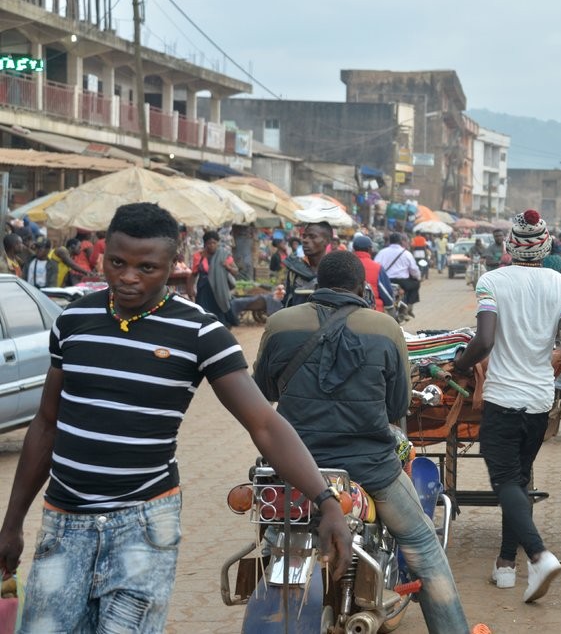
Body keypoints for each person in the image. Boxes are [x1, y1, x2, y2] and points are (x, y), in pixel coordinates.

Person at [0, 202, 351, 633]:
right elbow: (47, 423)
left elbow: (264, 423)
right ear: (105, 254)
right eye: (117, 263)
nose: (128, 277)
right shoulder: (73, 321)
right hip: (64, 522)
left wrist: (326, 500)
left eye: (146, 267)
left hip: (142, 526)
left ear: (173, 264)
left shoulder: (200, 333)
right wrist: (13, 522)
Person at [253, 251, 469, 633]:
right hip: (370, 467)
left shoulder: (280, 322)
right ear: (362, 287)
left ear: (316, 283)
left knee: (271, 532)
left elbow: (264, 391)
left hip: (290, 464)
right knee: (423, 545)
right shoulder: (384, 328)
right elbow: (397, 405)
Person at [452, 209, 561, 603]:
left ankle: (538, 556)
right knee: (519, 479)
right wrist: (554, 354)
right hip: (540, 400)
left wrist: (459, 364)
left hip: (503, 397)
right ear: (546, 247)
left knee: (505, 481)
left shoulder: (492, 281)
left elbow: (485, 340)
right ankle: (506, 565)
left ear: (509, 246)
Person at [188, 231, 239, 326]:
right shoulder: (198, 256)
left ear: (218, 243)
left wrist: (228, 267)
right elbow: (194, 274)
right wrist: (190, 289)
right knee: (204, 313)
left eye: (214, 243)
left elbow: (235, 271)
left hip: (219, 289)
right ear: (205, 244)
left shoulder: (224, 255)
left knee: (219, 313)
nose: (211, 245)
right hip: (204, 289)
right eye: (209, 243)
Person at [282, 222, 332, 306]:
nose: (305, 240)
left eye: (312, 237)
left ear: (327, 241)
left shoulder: (335, 271)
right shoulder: (294, 271)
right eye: (304, 236)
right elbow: (286, 301)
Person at [375, 232, 421, 316]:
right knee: (416, 284)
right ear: (400, 241)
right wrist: (417, 277)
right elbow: (414, 270)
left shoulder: (382, 252)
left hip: (386, 281)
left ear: (389, 241)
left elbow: (376, 266)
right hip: (403, 282)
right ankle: (409, 307)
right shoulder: (406, 253)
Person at [352, 233, 395, 312]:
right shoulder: (377, 267)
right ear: (369, 249)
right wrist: (390, 305)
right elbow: (386, 292)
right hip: (373, 311)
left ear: (354, 249)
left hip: (349, 310)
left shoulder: (347, 264)